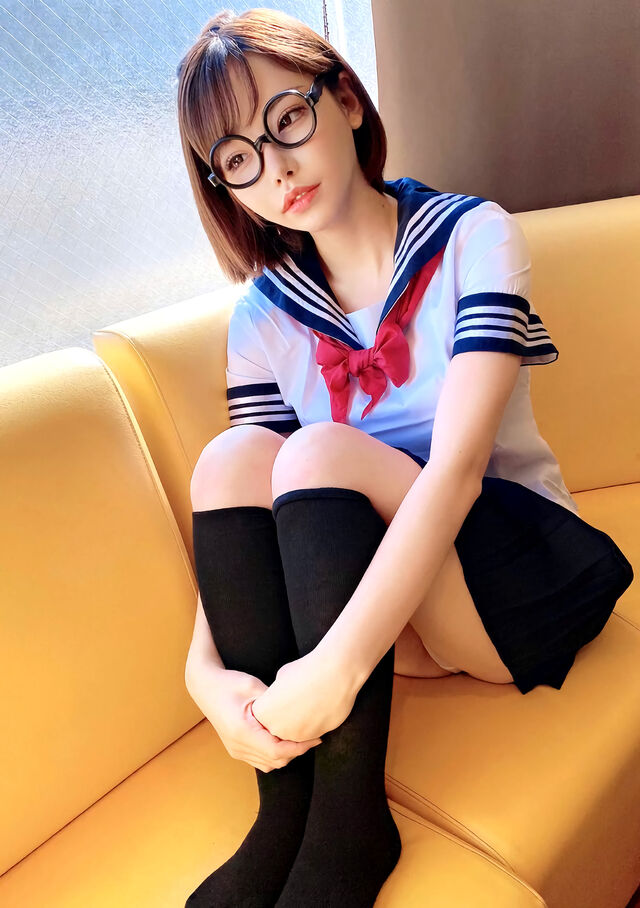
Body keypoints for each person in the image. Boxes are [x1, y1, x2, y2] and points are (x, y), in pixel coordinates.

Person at [176, 9, 635, 908]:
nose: (276, 170)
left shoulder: (472, 237)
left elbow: (458, 473)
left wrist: (334, 670)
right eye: (238, 159)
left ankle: (350, 824)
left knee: (315, 453)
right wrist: (204, 675)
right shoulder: (263, 319)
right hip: (392, 621)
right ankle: (287, 811)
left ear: (346, 99)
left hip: (505, 580)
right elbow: (247, 513)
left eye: (287, 120)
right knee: (232, 459)